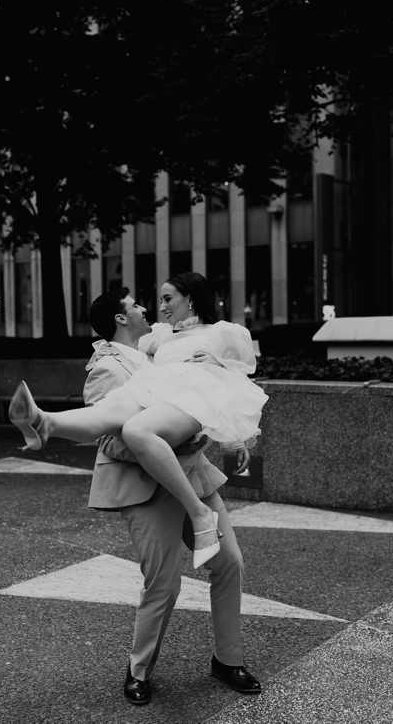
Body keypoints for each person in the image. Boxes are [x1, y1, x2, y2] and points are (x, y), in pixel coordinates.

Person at [10, 272, 267, 569]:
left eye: (167, 299)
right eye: (159, 300)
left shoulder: (221, 332)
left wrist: (217, 367)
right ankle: (45, 423)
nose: (160, 307)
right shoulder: (161, 334)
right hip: (158, 391)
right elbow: (123, 342)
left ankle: (198, 513)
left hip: (195, 393)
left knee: (135, 429)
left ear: (191, 299)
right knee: (114, 407)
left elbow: (241, 371)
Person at [83, 289, 260, 705]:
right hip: (148, 489)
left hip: (194, 477)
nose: (148, 308)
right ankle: (139, 670)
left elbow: (199, 398)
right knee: (163, 584)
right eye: (137, 305)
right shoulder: (106, 368)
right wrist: (169, 445)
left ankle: (227, 660)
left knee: (229, 562)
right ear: (122, 319)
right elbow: (109, 440)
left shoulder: (159, 350)